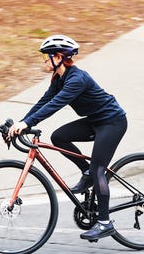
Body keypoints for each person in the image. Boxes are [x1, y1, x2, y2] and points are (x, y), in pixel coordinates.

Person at [9, 34, 127, 241]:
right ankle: (87, 173)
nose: (44, 61)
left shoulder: (76, 79)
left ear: (58, 57)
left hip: (112, 122)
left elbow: (56, 105)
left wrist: (28, 123)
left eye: (46, 57)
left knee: (99, 169)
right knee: (59, 137)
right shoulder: (58, 78)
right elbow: (44, 101)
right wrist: (21, 123)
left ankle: (105, 223)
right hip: (94, 121)